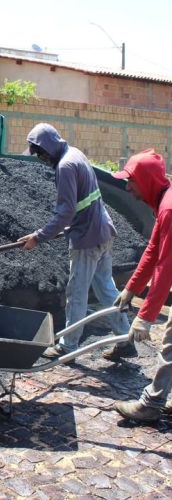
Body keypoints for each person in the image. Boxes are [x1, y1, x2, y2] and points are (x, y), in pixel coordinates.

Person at [18, 123, 131, 359]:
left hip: (87, 238)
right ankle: (125, 338)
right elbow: (82, 203)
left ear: (47, 147)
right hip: (102, 230)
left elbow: (66, 212)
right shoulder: (75, 153)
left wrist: (38, 237)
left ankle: (68, 346)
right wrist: (66, 226)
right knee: (107, 289)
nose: (40, 158)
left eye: (40, 153)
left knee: (76, 294)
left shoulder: (66, 166)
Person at [110, 149, 172, 422]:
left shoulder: (169, 208)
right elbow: (153, 250)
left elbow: (165, 267)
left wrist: (145, 317)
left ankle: (151, 403)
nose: (128, 188)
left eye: (131, 181)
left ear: (146, 180)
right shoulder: (164, 200)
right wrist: (131, 288)